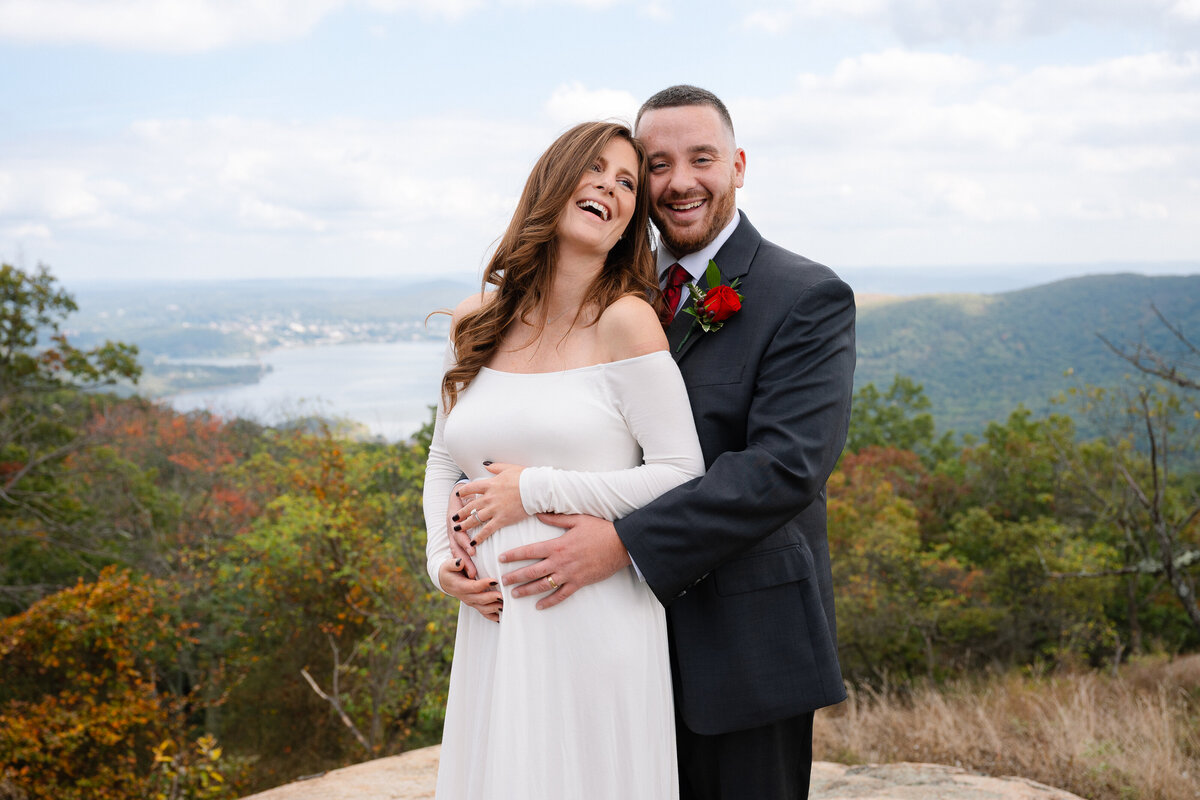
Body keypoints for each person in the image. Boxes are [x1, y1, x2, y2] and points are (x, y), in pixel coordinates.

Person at [453, 86, 857, 799]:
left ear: (737, 165)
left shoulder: (805, 295)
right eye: (657, 164)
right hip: (601, 637)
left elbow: (783, 468)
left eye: (701, 159)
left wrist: (625, 541)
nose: (679, 182)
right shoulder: (614, 289)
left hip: (742, 642)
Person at [422, 120, 705, 800]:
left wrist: (535, 491)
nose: (611, 185)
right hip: (494, 625)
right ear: (554, 182)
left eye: (628, 183)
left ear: (630, 218)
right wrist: (440, 563)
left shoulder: (626, 320)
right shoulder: (476, 321)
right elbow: (442, 457)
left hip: (591, 617)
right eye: (596, 169)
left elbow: (679, 471)